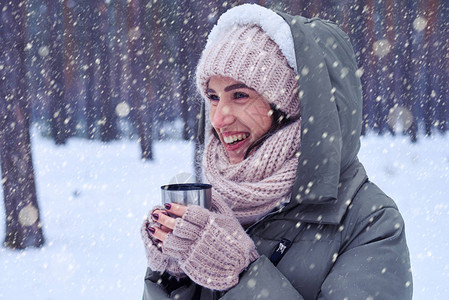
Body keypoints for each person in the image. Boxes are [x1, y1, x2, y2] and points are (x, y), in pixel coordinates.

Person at [140, 3, 413, 299]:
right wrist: (172, 275)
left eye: (240, 95)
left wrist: (242, 275)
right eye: (213, 97)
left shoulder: (369, 221)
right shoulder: (215, 203)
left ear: (291, 106)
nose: (218, 118)